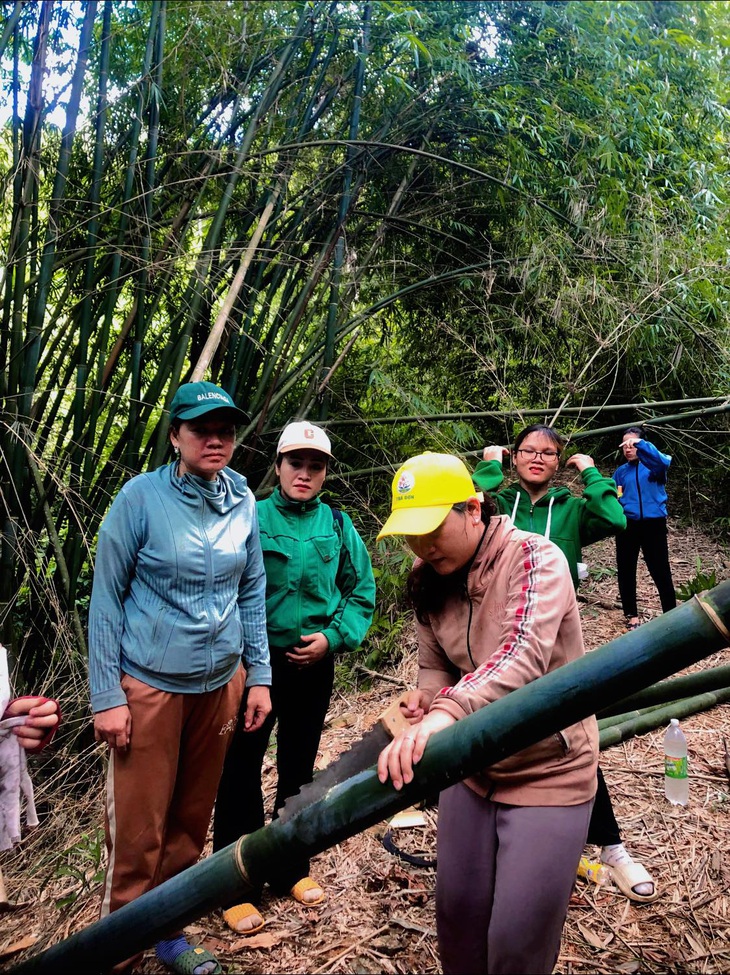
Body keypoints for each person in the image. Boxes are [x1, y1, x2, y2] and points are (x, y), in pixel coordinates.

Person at [376, 451, 598, 975]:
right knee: (458, 923)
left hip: (548, 769)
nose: (422, 544)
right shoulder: (428, 572)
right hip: (471, 767)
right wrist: (426, 698)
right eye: (410, 532)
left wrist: (445, 713)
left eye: (432, 527)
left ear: (473, 508)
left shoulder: (535, 559)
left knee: (517, 940)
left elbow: (521, 656)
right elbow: (434, 664)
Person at [88, 381, 271, 975]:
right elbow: (106, 600)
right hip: (149, 688)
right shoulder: (139, 499)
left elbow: (251, 589)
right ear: (176, 436)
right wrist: (106, 695)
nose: (215, 439)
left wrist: (259, 676)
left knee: (191, 822)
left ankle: (168, 933)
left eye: (226, 428)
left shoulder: (242, 498)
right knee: (140, 830)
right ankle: (122, 948)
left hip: (219, 685)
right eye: (201, 429)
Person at [473, 424, 657, 903]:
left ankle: (612, 847)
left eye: (549, 453)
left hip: (555, 650)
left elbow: (616, 519)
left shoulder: (571, 510)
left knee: (575, 743)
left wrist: (592, 471)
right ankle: (499, 848)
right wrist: (489, 468)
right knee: (493, 745)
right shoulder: (492, 508)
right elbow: (466, 505)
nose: (537, 458)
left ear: (558, 463)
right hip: (492, 646)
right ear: (514, 457)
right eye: (528, 451)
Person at [213, 421, 376, 934]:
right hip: (255, 667)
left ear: (325, 471)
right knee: (239, 769)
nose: (304, 474)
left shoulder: (338, 523)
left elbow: (360, 591)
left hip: (313, 665)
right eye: (295, 463)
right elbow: (226, 590)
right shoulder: (250, 517)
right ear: (278, 466)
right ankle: (236, 884)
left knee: (298, 766)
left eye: (315, 465)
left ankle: (289, 868)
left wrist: (333, 637)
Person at [613, 426, 676, 630]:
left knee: (660, 569)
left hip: (653, 524)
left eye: (631, 444)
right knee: (626, 569)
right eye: (624, 445)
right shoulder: (621, 473)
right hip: (628, 525)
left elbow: (663, 460)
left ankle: (671, 614)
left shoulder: (655, 467)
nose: (628, 449)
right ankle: (631, 615)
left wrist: (641, 445)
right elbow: (617, 497)